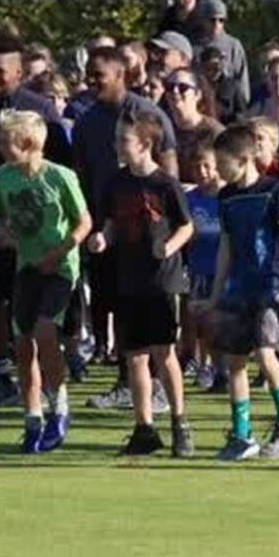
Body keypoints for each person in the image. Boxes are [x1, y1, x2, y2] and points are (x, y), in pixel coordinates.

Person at [0, 34, 69, 408]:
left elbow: (62, 162)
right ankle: (2, 376)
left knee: (34, 302)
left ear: (19, 72)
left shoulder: (40, 109)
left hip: (38, 226)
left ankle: (43, 379)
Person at [205, 124, 279, 462]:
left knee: (266, 354)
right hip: (239, 286)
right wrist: (215, 293)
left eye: (223, 163)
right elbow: (225, 246)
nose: (218, 169)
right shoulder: (227, 197)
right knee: (234, 362)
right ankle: (242, 434)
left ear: (244, 159)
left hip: (271, 285)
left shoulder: (275, 191)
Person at [73, 47, 178, 410]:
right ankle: (127, 382)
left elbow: (169, 174)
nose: (91, 80)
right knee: (114, 305)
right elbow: (84, 177)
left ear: (120, 75)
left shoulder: (147, 115)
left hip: (149, 234)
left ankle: (161, 387)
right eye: (89, 73)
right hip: (108, 228)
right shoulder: (86, 121)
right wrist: (91, 224)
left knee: (153, 308)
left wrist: (166, 230)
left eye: (98, 74)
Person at [87, 113, 194, 457]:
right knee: (134, 358)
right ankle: (144, 427)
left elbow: (186, 226)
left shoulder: (165, 185)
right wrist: (102, 238)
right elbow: (110, 224)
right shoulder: (116, 184)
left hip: (161, 281)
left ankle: (180, 424)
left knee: (164, 353)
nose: (117, 146)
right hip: (128, 279)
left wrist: (170, 247)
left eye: (124, 140)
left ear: (145, 144)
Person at [0, 109, 91, 453]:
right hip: (27, 267)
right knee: (23, 344)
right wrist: (2, 233)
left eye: (7, 141)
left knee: (47, 331)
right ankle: (32, 418)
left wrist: (59, 251)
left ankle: (59, 407)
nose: (1, 147)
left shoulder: (60, 177)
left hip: (60, 269)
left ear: (29, 143)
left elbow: (83, 223)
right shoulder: (4, 176)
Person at [185, 137, 226, 392]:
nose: (202, 173)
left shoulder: (227, 196)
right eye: (197, 168)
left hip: (223, 270)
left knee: (221, 322)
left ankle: (223, 369)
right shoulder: (191, 199)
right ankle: (206, 365)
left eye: (207, 166)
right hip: (199, 268)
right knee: (202, 323)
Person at [193, 0, 250, 119]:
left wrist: (242, 105)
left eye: (221, 20)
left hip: (228, 106)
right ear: (203, 20)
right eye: (212, 20)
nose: (216, 24)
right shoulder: (195, 47)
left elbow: (242, 78)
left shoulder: (234, 45)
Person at [165, 68, 222, 184]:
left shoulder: (214, 132)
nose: (175, 92)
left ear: (197, 94)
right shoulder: (162, 127)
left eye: (183, 88)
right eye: (170, 87)